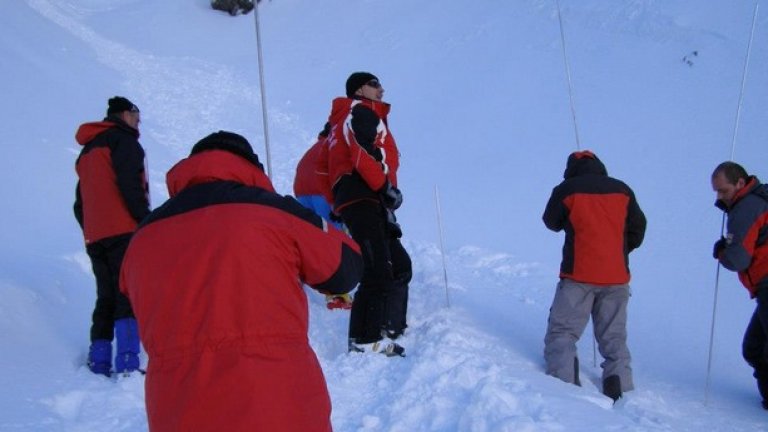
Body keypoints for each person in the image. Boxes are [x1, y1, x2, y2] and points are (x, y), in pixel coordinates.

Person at [120, 131, 362, 431]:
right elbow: (347, 268)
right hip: (279, 408)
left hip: (176, 413)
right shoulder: (273, 212)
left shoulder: (142, 238)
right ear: (251, 168)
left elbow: (128, 292)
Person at [542, 150, 646, 402]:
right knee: (614, 337)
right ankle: (620, 388)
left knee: (563, 332)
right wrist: (619, 250)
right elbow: (638, 229)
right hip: (616, 276)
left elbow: (551, 222)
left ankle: (565, 388)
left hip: (578, 275)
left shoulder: (567, 189)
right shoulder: (622, 190)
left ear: (570, 170)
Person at [324, 71, 412, 356]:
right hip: (364, 195)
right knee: (377, 269)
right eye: (375, 84)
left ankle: (387, 327)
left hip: (368, 199)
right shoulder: (359, 112)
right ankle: (365, 339)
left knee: (398, 265)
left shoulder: (350, 118)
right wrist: (384, 187)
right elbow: (361, 152)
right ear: (359, 89)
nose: (381, 89)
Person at [73, 96, 148, 377]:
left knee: (105, 294)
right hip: (123, 230)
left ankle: (99, 360)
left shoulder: (88, 151)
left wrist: (90, 228)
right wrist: (144, 220)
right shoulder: (124, 142)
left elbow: (79, 202)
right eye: (136, 116)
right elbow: (131, 185)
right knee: (126, 292)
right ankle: (128, 362)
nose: (139, 122)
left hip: (96, 236)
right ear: (125, 114)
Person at [711, 161, 768, 409]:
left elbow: (737, 259)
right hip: (763, 288)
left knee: (756, 348)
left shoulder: (746, 208)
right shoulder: (760, 199)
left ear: (740, 183)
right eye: (716, 191)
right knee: (754, 347)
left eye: (723, 190)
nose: (719, 196)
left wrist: (723, 251)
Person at [294, 123, 353, 310]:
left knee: (310, 237)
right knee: (333, 242)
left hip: (302, 193)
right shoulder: (333, 146)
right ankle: (336, 293)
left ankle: (301, 277)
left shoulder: (312, 149)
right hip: (322, 194)